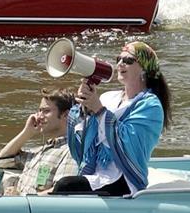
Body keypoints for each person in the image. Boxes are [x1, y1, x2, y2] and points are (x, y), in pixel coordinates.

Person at [52, 40, 172, 196]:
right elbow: (86, 136)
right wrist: (84, 107)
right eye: (118, 59)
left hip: (124, 177)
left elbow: (129, 141)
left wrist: (99, 110)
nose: (120, 64)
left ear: (145, 69)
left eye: (128, 60)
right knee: (65, 183)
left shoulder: (151, 105)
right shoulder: (109, 97)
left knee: (65, 186)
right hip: (97, 171)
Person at [0, 87, 79, 195]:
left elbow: (60, 192)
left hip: (31, 209)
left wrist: (20, 198)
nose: (39, 116)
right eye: (39, 110)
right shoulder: (39, 151)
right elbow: (0, 161)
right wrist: (27, 132)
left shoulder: (71, 151)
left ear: (66, 115)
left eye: (46, 111)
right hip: (19, 207)